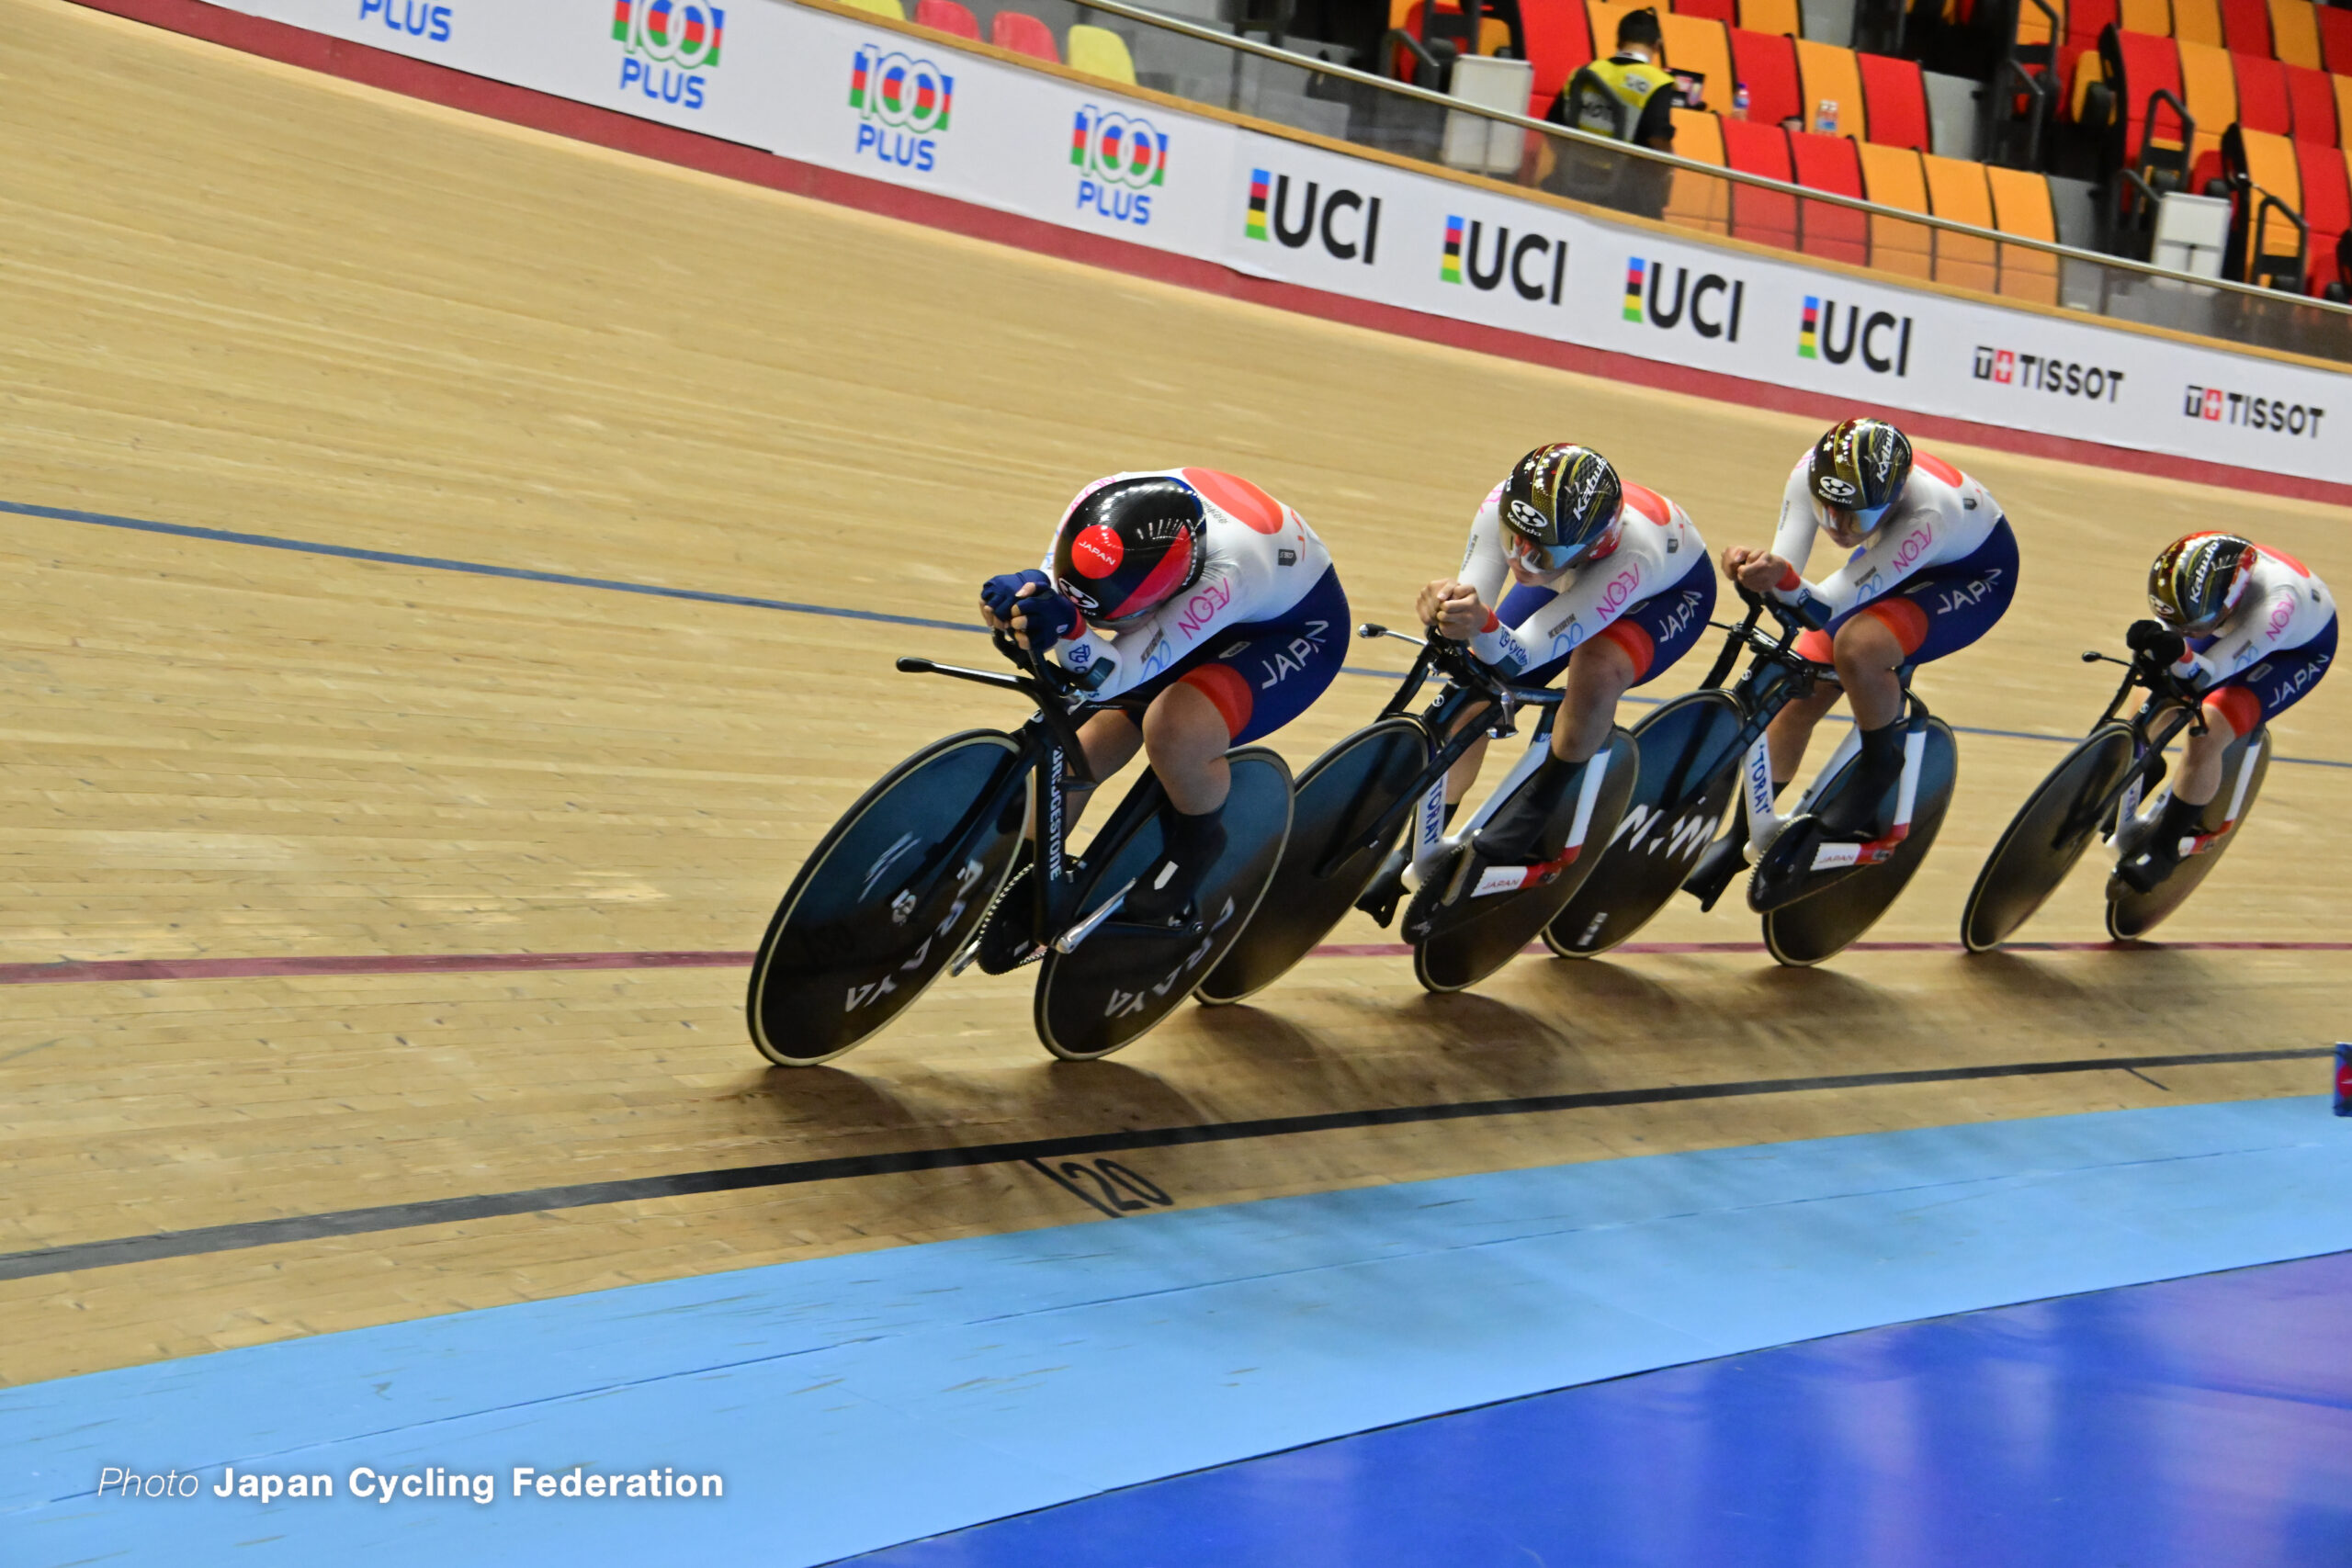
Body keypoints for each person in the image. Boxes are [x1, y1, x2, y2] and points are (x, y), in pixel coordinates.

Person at [975, 468, 1346, 963]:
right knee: (1080, 748)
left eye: (1119, 619)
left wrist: (1065, 625)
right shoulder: (1097, 505)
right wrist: (1029, 590)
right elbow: (1056, 587)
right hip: (1197, 603)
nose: (1109, 627)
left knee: (1175, 730)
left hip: (1293, 630)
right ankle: (1020, 870)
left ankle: (1197, 846)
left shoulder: (1230, 573)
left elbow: (1113, 674)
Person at [1360, 444, 1716, 919]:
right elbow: (1480, 638)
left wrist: (1481, 625)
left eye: (1539, 554)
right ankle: (1416, 849)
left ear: (1589, 546)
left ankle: (1539, 805)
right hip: (1571, 576)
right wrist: (1448, 613)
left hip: (1664, 593)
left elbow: (1524, 650)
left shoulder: (1631, 559)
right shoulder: (1510, 514)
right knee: (1477, 684)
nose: (1521, 562)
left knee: (1595, 669)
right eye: (1513, 541)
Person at [1718, 417, 2018, 842]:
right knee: (1798, 685)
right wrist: (1755, 568)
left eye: (1856, 519)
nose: (1839, 528)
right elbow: (1787, 579)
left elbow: (1821, 606)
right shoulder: (1809, 475)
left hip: (1973, 577)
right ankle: (1743, 837)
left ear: (1894, 500)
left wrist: (1779, 580)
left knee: (1860, 649)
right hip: (1897, 551)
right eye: (1828, 512)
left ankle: (1879, 764)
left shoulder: (1929, 513)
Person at [2114, 533, 2335, 890]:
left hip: (2294, 651)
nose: (2186, 631)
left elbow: (2204, 677)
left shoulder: (2279, 605)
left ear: (2232, 602)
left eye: (2193, 626)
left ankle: (2165, 849)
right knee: (2149, 694)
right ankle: (2144, 763)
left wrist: (2180, 654)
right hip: (2223, 620)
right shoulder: (2190, 587)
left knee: (2209, 732)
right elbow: (2176, 637)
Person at [1553, 7, 1679, 151]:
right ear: (1657, 45)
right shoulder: (1657, 82)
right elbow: (1657, 138)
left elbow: (1552, 127)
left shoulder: (1583, 72)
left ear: (1618, 42)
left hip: (1570, 169)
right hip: (1624, 173)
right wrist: (1672, 168)